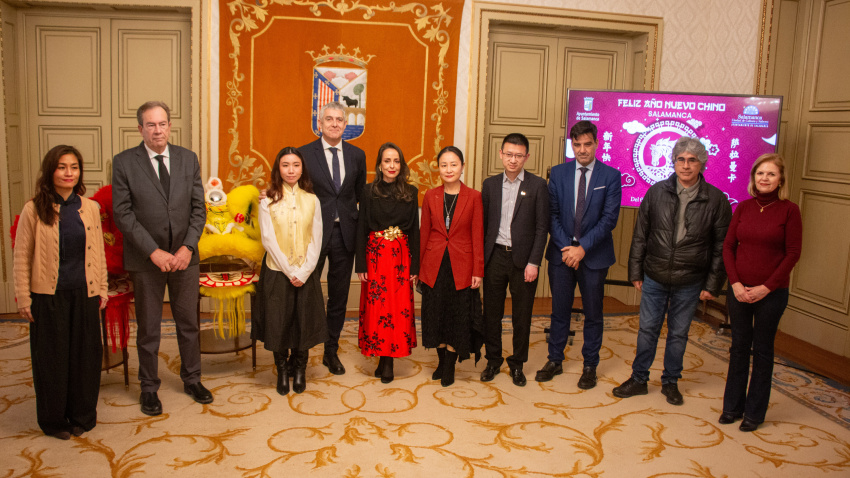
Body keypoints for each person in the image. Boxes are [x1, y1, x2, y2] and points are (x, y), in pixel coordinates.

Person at [613, 136, 732, 405]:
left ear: (702, 163)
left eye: (692, 160)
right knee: (647, 330)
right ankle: (639, 379)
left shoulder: (716, 200)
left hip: (690, 280)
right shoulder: (656, 192)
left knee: (678, 334)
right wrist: (635, 271)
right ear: (674, 162)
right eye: (681, 159)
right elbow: (640, 235)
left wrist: (712, 285)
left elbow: (721, 248)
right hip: (655, 275)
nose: (686, 165)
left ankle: (670, 382)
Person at [113, 101, 210, 416]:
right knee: (149, 328)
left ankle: (192, 379)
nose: (158, 130)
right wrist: (153, 252)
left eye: (163, 124)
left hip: (184, 259)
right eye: (151, 125)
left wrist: (187, 248)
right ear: (140, 128)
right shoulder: (125, 163)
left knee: (188, 324)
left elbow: (199, 209)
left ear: (170, 126)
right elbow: (123, 215)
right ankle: (149, 388)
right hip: (147, 261)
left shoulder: (187, 159)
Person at [14, 145, 108, 440]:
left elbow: (100, 253)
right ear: (50, 171)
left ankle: (82, 415)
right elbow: (21, 256)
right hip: (47, 296)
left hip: (85, 292)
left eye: (74, 167)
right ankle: (54, 420)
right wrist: (23, 297)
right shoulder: (33, 208)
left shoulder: (90, 207)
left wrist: (102, 288)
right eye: (62, 167)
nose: (69, 173)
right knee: (52, 360)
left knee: (85, 357)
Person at [720, 154, 801, 432]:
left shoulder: (790, 210)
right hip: (739, 291)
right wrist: (735, 284)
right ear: (753, 178)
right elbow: (728, 247)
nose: (764, 179)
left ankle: (754, 413)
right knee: (738, 348)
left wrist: (766, 287)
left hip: (772, 294)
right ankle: (731, 407)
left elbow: (793, 254)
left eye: (771, 174)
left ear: (781, 180)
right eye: (760, 174)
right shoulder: (743, 207)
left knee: (762, 350)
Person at [537, 121, 622, 388]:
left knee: (593, 313)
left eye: (587, 144)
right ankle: (555, 360)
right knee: (559, 311)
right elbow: (550, 215)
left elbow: (609, 219)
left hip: (593, 256)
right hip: (562, 255)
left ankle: (590, 365)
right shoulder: (559, 173)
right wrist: (568, 248)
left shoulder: (610, 176)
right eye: (577, 145)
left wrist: (583, 248)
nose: (582, 150)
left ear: (597, 143)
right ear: (571, 145)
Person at [298, 101, 367, 376]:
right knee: (306, 293)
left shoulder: (357, 155)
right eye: (330, 119)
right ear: (320, 123)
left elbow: (361, 195)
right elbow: (294, 188)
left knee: (338, 296)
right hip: (312, 234)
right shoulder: (304, 153)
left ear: (346, 125)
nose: (335, 123)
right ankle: (300, 353)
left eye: (340, 119)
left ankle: (330, 351)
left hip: (345, 235)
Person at [253, 147, 326, 395]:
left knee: (302, 321)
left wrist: (304, 272)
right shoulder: (268, 200)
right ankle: (282, 369)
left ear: (302, 168)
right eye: (285, 165)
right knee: (278, 322)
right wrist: (288, 270)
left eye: (296, 165)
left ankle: (300, 368)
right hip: (277, 271)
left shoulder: (312, 200)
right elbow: (267, 238)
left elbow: (317, 238)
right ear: (278, 169)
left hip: (305, 272)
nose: (291, 170)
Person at [480, 133, 549, 387]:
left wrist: (534, 262)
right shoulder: (489, 185)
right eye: (509, 154)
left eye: (519, 155)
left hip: (523, 261)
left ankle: (517, 364)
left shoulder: (538, 185)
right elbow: (483, 227)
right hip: (495, 257)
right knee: (492, 314)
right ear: (500, 154)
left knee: (522, 316)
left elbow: (542, 228)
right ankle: (493, 360)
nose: (513, 160)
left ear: (527, 157)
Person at [419, 146, 485, 387]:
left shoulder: (474, 197)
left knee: (457, 317)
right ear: (439, 168)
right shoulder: (430, 195)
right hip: (434, 264)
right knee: (435, 315)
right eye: (444, 165)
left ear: (462, 167)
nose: (449, 169)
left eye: (454, 164)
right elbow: (424, 232)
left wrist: (478, 270)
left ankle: (449, 366)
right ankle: (440, 361)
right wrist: (418, 268)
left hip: (462, 266)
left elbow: (478, 235)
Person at [355, 142, 419, 384]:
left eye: (396, 161)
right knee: (378, 309)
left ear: (401, 166)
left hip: (401, 258)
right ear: (379, 165)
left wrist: (416, 267)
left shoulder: (411, 193)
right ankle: (382, 357)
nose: (391, 166)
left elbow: (415, 231)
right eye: (387, 161)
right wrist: (360, 264)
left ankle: (389, 361)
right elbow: (361, 228)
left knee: (397, 309)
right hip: (375, 258)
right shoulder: (368, 191)